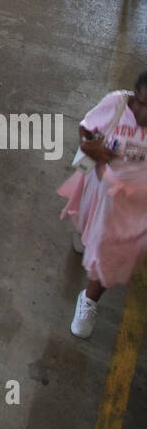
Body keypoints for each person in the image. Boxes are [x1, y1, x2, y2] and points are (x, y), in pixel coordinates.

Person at [59, 73, 147, 339]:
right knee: (87, 219)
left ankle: (89, 300)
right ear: (134, 95)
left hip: (134, 207)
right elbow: (86, 128)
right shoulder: (116, 103)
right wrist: (91, 147)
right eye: (142, 104)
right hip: (100, 186)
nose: (144, 115)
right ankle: (82, 232)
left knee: (108, 254)